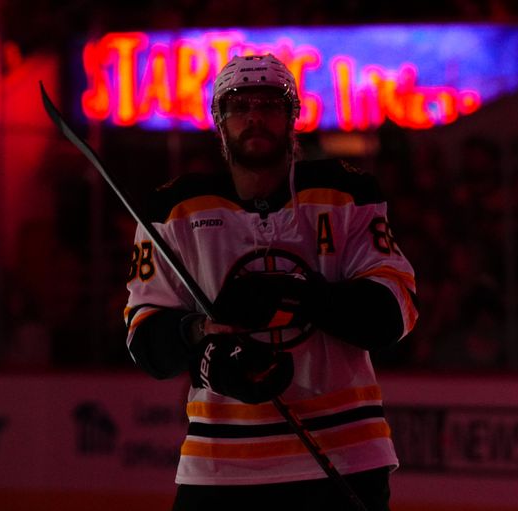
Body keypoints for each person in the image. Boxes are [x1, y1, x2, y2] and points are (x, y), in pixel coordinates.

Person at [124, 54, 418, 510]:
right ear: (219, 123)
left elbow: (393, 313)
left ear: (293, 118)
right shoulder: (173, 212)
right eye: (239, 107)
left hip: (346, 454)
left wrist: (302, 297)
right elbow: (147, 343)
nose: (255, 117)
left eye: (269, 105)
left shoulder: (347, 196)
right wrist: (203, 343)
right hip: (219, 462)